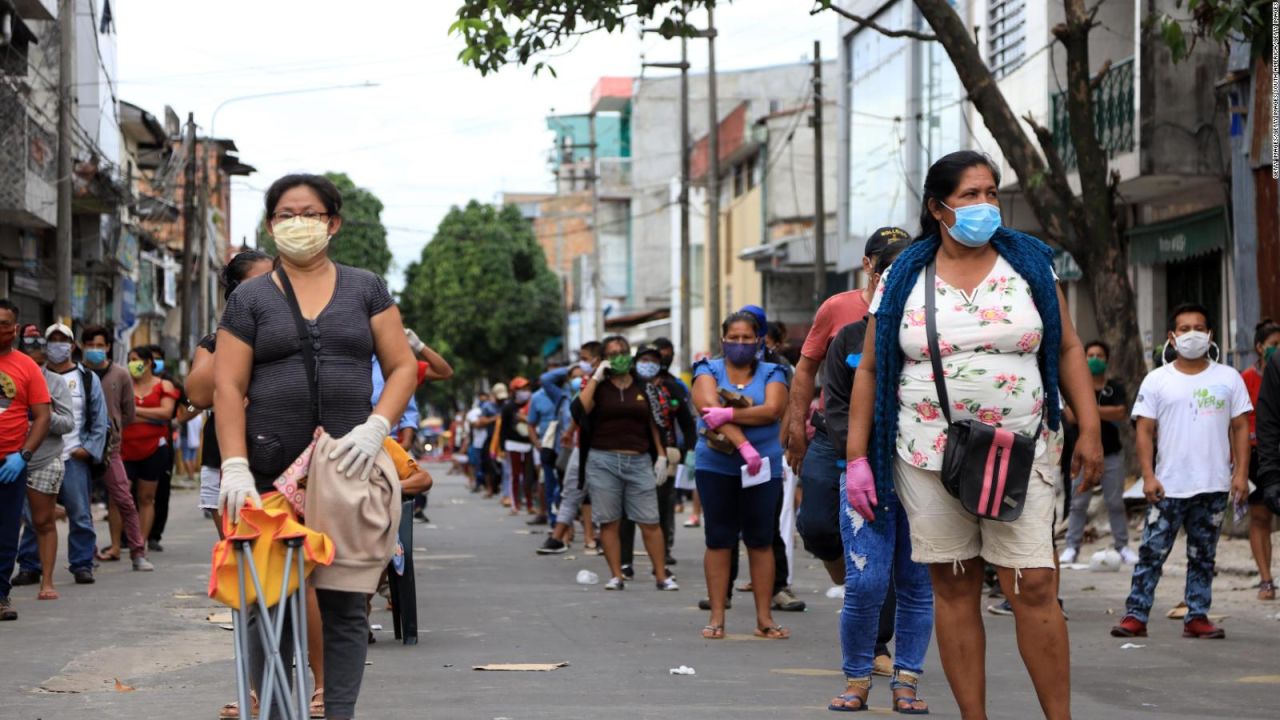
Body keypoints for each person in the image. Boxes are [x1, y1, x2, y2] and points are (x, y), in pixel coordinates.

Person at [846, 150, 1103, 719]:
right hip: (926, 453)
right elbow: (868, 369)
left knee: (1034, 584)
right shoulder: (903, 275)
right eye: (971, 195)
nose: (986, 205)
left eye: (992, 193)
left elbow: (1065, 347)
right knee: (955, 584)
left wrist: (1089, 429)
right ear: (938, 207)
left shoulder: (1031, 263)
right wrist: (856, 458)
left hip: (1024, 450)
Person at [215, 172, 417, 720]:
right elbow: (227, 386)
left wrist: (377, 426)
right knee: (272, 601)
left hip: (347, 471)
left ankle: (338, 711)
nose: (296, 224)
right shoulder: (250, 298)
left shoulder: (366, 287)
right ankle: (280, 709)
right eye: (284, 215)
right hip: (267, 472)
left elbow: (402, 367)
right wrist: (234, 466)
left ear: (333, 222)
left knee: (345, 605)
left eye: (309, 213)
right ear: (270, 224)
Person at [818, 239, 933, 712]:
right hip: (866, 474)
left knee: (916, 584)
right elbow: (837, 409)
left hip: (925, 474)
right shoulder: (847, 338)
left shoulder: (929, 334)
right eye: (885, 270)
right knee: (865, 582)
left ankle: (906, 680)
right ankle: (857, 679)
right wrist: (858, 459)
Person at [1111, 303, 1252, 639]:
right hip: (1168, 485)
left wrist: (1241, 474)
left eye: (1199, 328)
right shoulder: (1158, 380)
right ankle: (1136, 614)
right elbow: (1143, 430)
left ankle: (1197, 616)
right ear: (1172, 337)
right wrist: (1148, 475)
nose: (1193, 335)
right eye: (1185, 329)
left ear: (1211, 335)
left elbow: (1241, 427)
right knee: (1151, 552)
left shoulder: (1228, 378)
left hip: (1214, 484)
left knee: (1203, 556)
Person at [692, 311, 789, 639]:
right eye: (733, 337)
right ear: (723, 340)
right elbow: (707, 410)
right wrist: (745, 444)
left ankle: (764, 619)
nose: (740, 343)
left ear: (759, 339)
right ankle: (717, 617)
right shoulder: (708, 369)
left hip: (763, 468)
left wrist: (729, 412)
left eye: (747, 337)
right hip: (716, 465)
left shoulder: (773, 371)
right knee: (718, 539)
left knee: (760, 540)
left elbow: (773, 410)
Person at [785, 226, 912, 475]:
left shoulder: (919, 313)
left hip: (898, 440)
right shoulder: (836, 308)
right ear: (868, 265)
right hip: (832, 436)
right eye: (886, 263)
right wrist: (796, 427)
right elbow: (805, 369)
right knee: (819, 514)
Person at [573, 335, 677, 591]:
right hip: (602, 460)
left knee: (650, 521)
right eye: (612, 353)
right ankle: (616, 575)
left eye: (623, 351)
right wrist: (597, 377)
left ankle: (662, 576)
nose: (619, 356)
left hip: (639, 460)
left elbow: (655, 421)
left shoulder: (645, 387)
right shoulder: (596, 385)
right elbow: (579, 411)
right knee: (609, 521)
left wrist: (662, 455)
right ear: (604, 358)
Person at [184, 250, 276, 532]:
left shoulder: (290, 336)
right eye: (261, 283)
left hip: (279, 449)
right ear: (237, 292)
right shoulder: (215, 343)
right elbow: (197, 395)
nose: (271, 290)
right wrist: (237, 329)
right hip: (225, 453)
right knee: (236, 546)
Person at [12, 324, 109, 586]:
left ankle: (82, 564)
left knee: (79, 513)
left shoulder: (87, 378)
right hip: (38, 456)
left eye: (62, 340)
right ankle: (31, 565)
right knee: (35, 517)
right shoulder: (34, 376)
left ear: (72, 345)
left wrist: (87, 449)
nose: (57, 345)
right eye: (52, 340)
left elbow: (100, 420)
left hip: (73, 455)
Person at [9, 325, 76, 601]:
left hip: (43, 459)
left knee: (42, 521)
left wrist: (41, 416)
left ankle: (47, 582)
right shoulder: (8, 377)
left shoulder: (54, 382)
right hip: (8, 458)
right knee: (9, 524)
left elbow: (67, 422)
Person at [617, 344, 695, 574]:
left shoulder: (672, 387)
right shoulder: (626, 385)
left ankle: (662, 556)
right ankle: (625, 560)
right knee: (626, 508)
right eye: (644, 359)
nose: (648, 363)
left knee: (662, 505)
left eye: (653, 359)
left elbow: (687, 423)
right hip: (632, 451)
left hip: (666, 453)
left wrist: (691, 452)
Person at [80, 325, 150, 570]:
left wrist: (114, 429)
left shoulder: (120, 375)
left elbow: (129, 413)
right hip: (80, 449)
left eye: (100, 345)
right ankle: (86, 555)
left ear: (108, 347)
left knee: (124, 500)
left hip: (110, 450)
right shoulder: (77, 374)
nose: (95, 350)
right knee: (81, 504)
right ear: (83, 347)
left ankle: (138, 552)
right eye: (90, 345)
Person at [1059, 340, 1136, 565]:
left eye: (1099, 355)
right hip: (1081, 457)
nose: (1094, 359)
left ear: (1107, 359)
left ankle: (1122, 546)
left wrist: (1088, 411)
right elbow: (1070, 416)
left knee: (1115, 503)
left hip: (1112, 454)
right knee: (1078, 503)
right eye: (1090, 355)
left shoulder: (1115, 387)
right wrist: (1103, 412)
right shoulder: (1075, 387)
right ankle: (1072, 547)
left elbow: (1120, 412)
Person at [0, 299, 53, 621]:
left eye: (4, 324)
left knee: (6, 532)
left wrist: (23, 456)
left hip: (10, 464)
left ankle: (1, 595)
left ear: (15, 329)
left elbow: (43, 417)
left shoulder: (27, 367)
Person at [538, 343, 601, 554]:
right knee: (570, 491)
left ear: (596, 359)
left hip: (606, 448)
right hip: (578, 447)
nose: (582, 365)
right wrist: (570, 369)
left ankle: (598, 538)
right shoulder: (570, 393)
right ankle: (558, 536)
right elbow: (579, 412)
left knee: (601, 496)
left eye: (584, 359)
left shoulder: (607, 383)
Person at [118, 347, 179, 552]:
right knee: (122, 493)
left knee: (152, 496)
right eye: (130, 360)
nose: (133, 364)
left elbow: (187, 406)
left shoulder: (167, 383)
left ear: (150, 362)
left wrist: (182, 418)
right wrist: (150, 415)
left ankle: (149, 538)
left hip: (157, 446)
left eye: (136, 360)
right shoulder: (124, 383)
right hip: (126, 448)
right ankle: (121, 540)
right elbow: (120, 413)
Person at [1243, 320, 1280, 600]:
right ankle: (1266, 579)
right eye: (1273, 345)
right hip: (1256, 454)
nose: (1277, 349)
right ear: (1259, 347)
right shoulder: (1246, 379)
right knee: (1259, 517)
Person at [527, 362, 573, 525]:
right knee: (549, 482)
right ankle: (555, 521)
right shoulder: (539, 396)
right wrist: (537, 443)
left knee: (566, 486)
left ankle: (567, 523)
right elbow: (530, 424)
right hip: (548, 445)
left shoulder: (569, 393)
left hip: (568, 447)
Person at [501, 377, 537, 516]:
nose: (525, 392)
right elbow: (503, 429)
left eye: (527, 389)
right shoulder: (508, 407)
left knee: (528, 476)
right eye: (522, 389)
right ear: (514, 391)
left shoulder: (531, 405)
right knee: (514, 476)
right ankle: (515, 504)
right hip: (512, 444)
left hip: (528, 444)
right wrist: (502, 448)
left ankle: (529, 504)